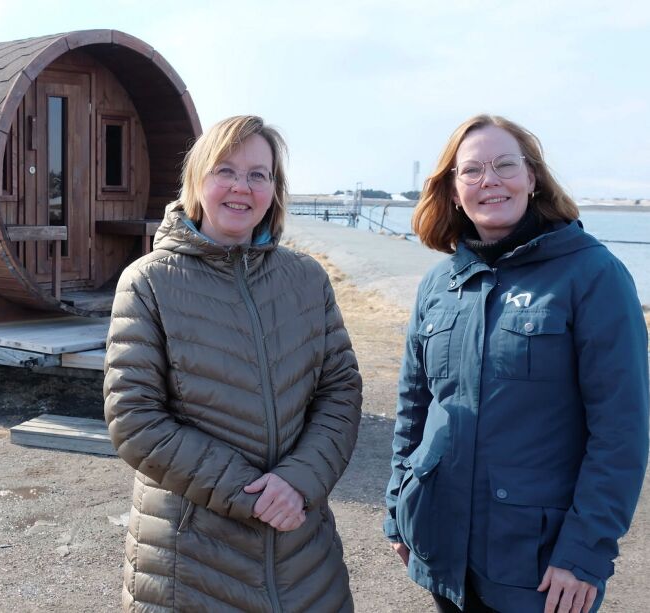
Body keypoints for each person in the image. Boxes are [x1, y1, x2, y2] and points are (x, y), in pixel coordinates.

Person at [384, 114, 649, 612]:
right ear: (454, 189)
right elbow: (414, 408)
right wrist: (400, 506)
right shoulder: (439, 286)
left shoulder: (593, 276)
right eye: (472, 171)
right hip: (445, 550)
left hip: (540, 566)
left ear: (532, 177)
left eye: (505, 165)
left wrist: (584, 553)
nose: (490, 181)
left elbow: (622, 431)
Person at [103, 115, 362, 612]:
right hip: (191, 558)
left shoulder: (306, 279)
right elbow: (135, 419)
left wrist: (299, 483)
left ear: (274, 190)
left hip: (303, 557)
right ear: (198, 180)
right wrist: (255, 497)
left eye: (258, 174)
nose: (241, 187)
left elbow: (340, 391)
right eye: (225, 170)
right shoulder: (148, 283)